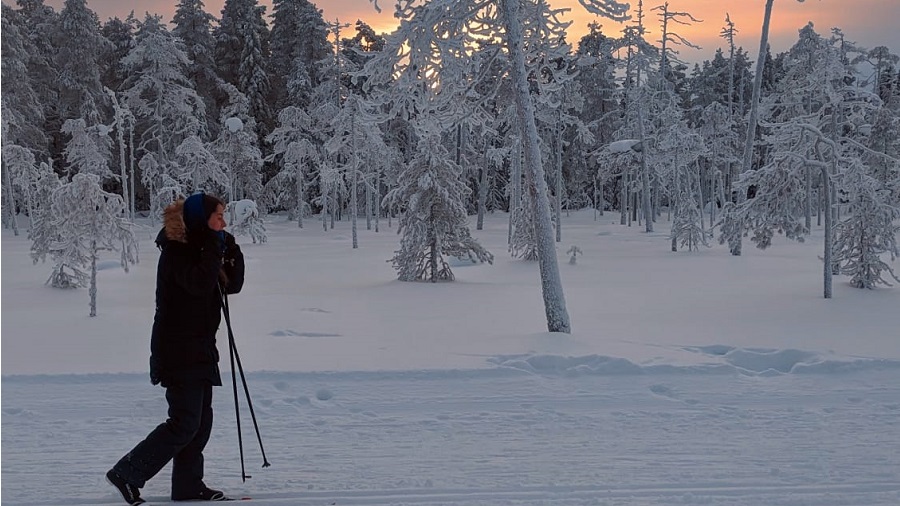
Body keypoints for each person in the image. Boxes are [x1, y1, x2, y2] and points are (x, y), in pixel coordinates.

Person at [107, 192, 244, 505]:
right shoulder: (177, 250)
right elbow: (198, 284)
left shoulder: (201, 247)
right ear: (200, 220)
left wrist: (231, 249)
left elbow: (230, 285)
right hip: (178, 349)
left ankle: (188, 486)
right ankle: (126, 472)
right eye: (218, 216)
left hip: (199, 348)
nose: (223, 222)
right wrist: (214, 245)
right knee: (184, 422)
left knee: (200, 422)